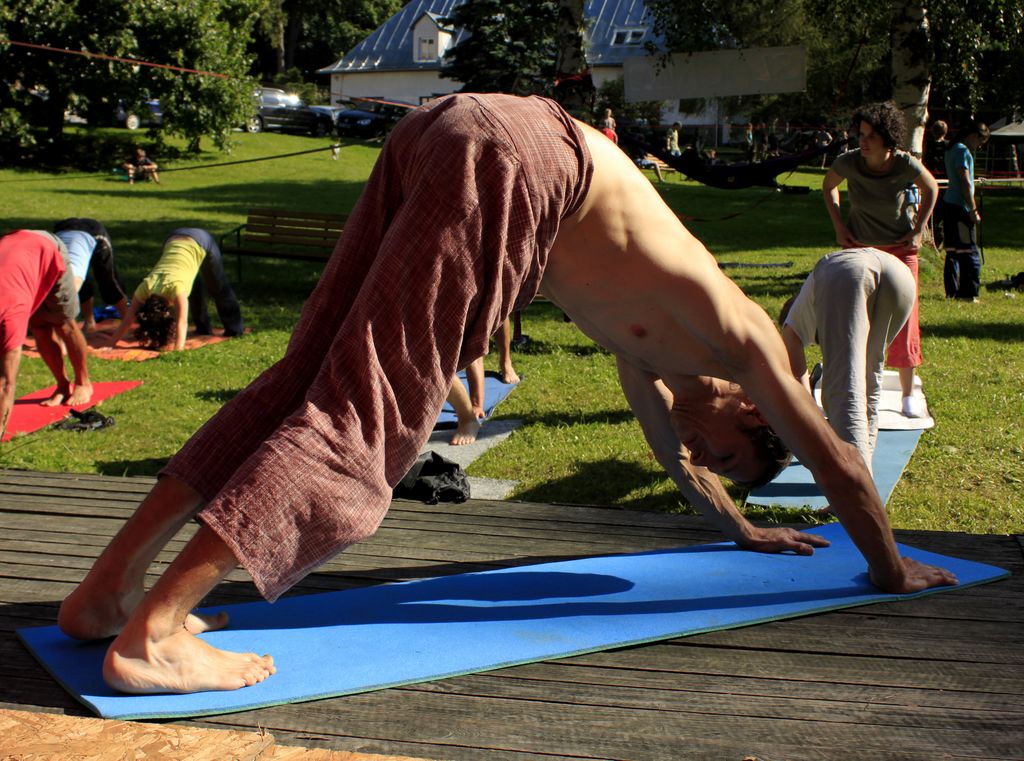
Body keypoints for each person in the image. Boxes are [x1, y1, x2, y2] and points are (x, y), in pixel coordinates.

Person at [58, 93, 956, 697]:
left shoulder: (655, 365)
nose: (702, 456)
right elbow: (839, 458)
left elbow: (678, 465)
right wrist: (887, 566)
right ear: (754, 411)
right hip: (516, 154)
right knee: (373, 413)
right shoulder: (749, 345)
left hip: (450, 128)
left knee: (304, 376)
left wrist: (744, 528)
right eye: (726, 449)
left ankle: (106, 592)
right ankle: (154, 634)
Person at [822, 101, 938, 419]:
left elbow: (930, 189)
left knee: (905, 320)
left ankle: (907, 392)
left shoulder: (904, 163)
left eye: (871, 135)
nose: (864, 141)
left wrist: (918, 231)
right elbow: (828, 186)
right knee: (855, 318)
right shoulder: (848, 162)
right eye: (861, 134)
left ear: (888, 139)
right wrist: (839, 225)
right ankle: (853, 388)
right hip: (859, 248)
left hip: (900, 251)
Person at [780, 248, 916, 470]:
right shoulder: (812, 300)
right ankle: (863, 478)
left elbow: (801, 390)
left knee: (842, 389)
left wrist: (811, 422)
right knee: (867, 383)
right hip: (901, 276)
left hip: (849, 271)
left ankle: (852, 490)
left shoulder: (792, 326)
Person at [0, 230, 93, 439]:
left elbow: (6, 382)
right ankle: (62, 385)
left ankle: (83, 383)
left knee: (63, 323)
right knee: (40, 326)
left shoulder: (10, 317)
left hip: (48, 249)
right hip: (16, 255)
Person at [107, 228, 244, 352]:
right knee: (190, 284)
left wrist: (179, 350)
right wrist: (111, 343)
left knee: (217, 286)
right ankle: (203, 329)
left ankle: (235, 329)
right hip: (174, 237)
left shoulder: (174, 289)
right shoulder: (145, 287)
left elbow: (182, 322)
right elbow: (129, 318)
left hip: (201, 240)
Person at [52, 218, 130, 333]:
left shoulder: (70, 281)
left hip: (93, 232)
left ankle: (126, 323)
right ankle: (89, 323)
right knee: (81, 284)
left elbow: (63, 310)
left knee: (108, 281)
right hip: (63, 231)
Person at [942, 121, 990, 301]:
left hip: (948, 203)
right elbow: (965, 181)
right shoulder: (962, 151)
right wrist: (973, 208)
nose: (979, 146)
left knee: (952, 250)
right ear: (973, 135)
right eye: (980, 141)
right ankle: (969, 293)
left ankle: (952, 291)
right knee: (969, 250)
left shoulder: (951, 148)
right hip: (961, 207)